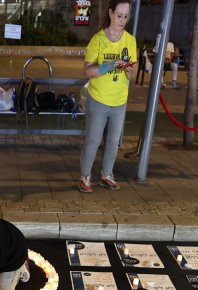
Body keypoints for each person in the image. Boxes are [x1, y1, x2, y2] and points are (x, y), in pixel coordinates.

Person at [78, 0, 136, 193]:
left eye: (126, 16)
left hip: (119, 100)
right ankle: (85, 176)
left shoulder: (130, 40)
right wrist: (110, 65)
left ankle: (106, 174)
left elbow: (132, 74)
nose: (122, 20)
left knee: (113, 141)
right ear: (110, 13)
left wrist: (129, 69)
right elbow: (88, 71)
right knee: (93, 140)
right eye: (119, 15)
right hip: (98, 98)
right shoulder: (98, 40)